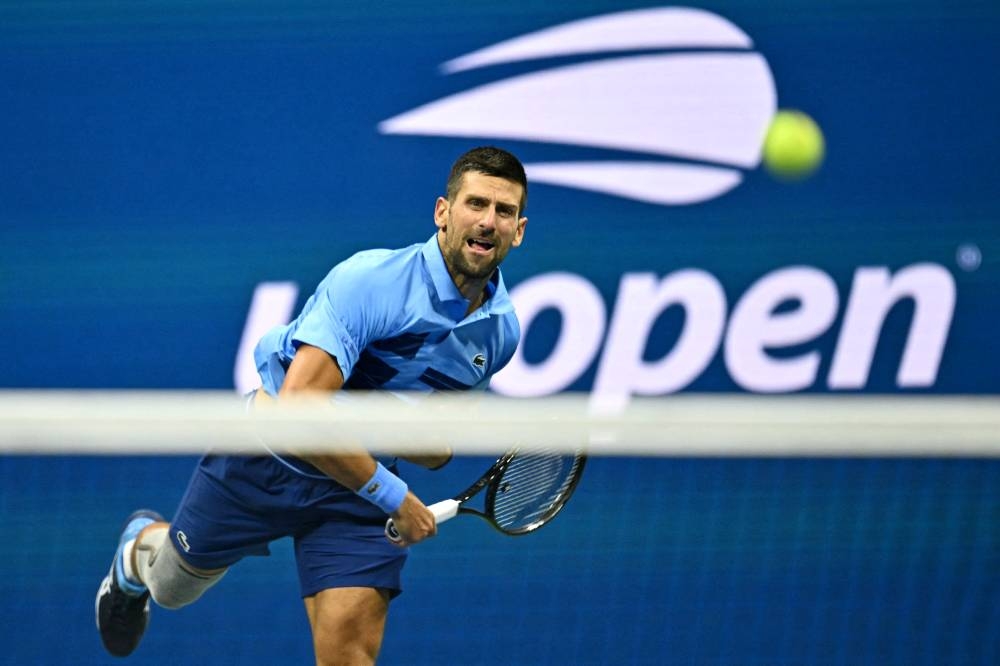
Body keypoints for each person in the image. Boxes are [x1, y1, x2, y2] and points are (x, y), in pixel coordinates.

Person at [95, 146, 529, 664]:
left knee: (349, 657)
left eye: (504, 211)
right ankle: (136, 551)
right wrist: (395, 496)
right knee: (171, 588)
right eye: (475, 204)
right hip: (267, 457)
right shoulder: (371, 282)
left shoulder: (500, 334)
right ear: (443, 211)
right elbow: (299, 408)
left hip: (355, 497)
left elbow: (437, 446)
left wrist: (408, 440)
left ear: (518, 230)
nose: (487, 221)